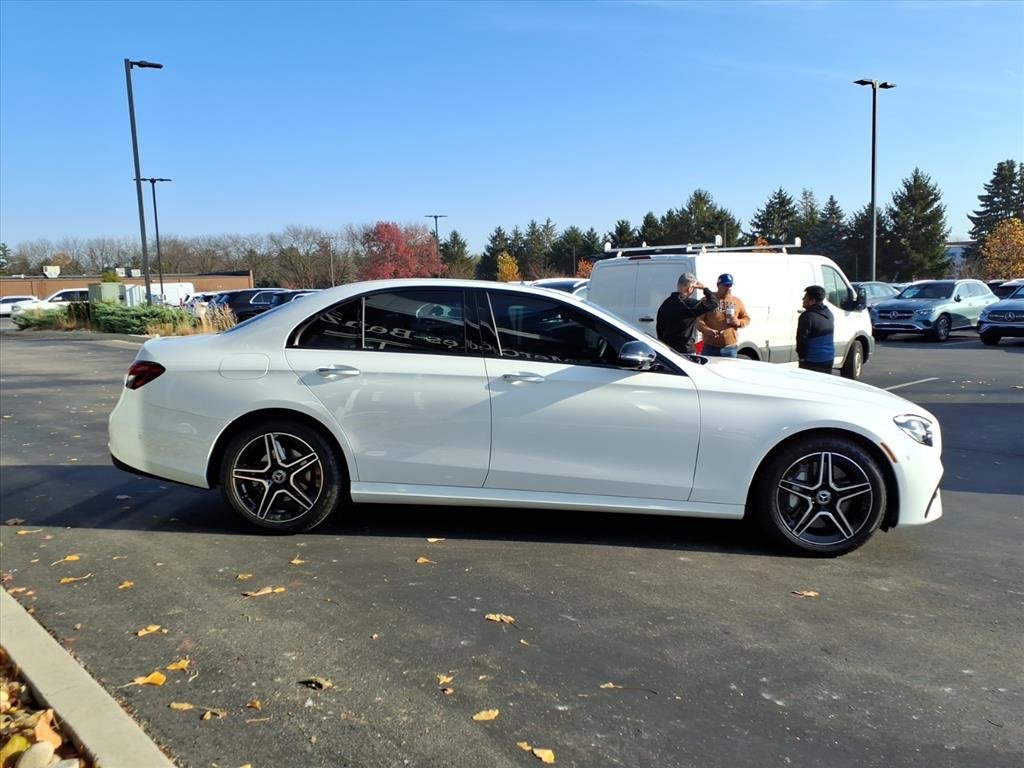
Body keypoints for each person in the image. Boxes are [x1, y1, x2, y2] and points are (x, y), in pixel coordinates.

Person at [656, 272, 718, 354]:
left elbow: (659, 328)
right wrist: (704, 288)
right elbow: (714, 303)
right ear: (690, 288)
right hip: (685, 351)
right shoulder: (690, 304)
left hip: (669, 351)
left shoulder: (665, 303)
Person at [698, 273, 750, 357]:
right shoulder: (707, 300)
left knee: (730, 370)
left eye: (730, 285)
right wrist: (706, 330)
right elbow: (698, 320)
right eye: (726, 285)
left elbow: (746, 318)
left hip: (730, 348)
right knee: (708, 369)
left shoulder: (736, 301)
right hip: (710, 347)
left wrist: (739, 322)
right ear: (718, 285)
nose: (728, 288)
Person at [797, 285, 835, 374]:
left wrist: (801, 358)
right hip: (828, 359)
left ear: (812, 301)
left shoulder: (807, 316)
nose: (803, 299)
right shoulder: (829, 314)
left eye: (805, 297)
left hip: (812, 361)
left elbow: (801, 340)